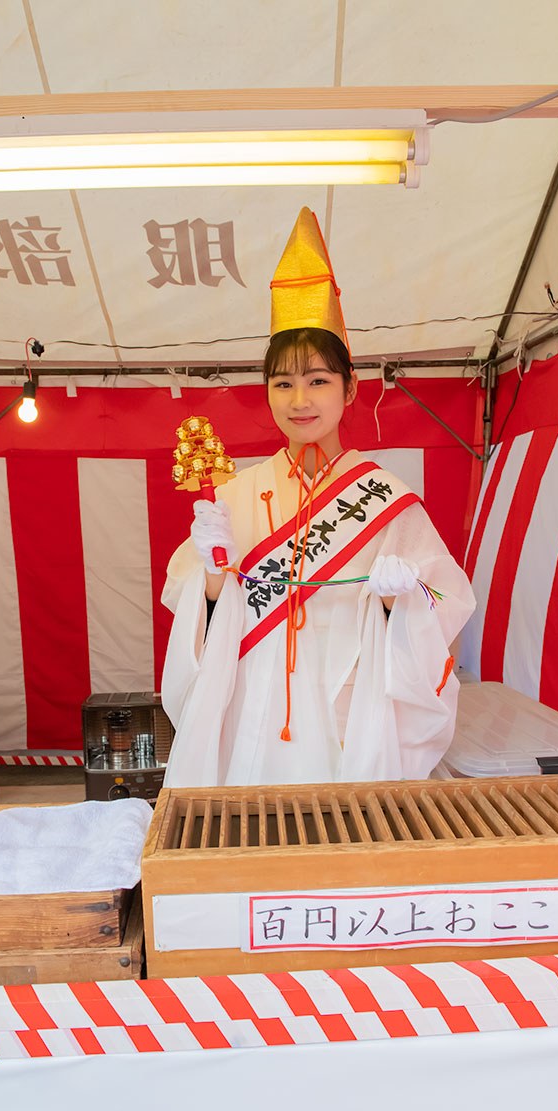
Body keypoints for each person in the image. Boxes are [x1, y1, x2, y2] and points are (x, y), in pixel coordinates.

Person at [161, 207, 475, 786]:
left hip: (347, 714)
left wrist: (395, 601)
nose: (299, 398)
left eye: (318, 380)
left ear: (350, 387)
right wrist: (211, 576)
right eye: (283, 382)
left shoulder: (387, 499)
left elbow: (447, 598)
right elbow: (194, 616)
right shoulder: (235, 494)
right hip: (249, 715)